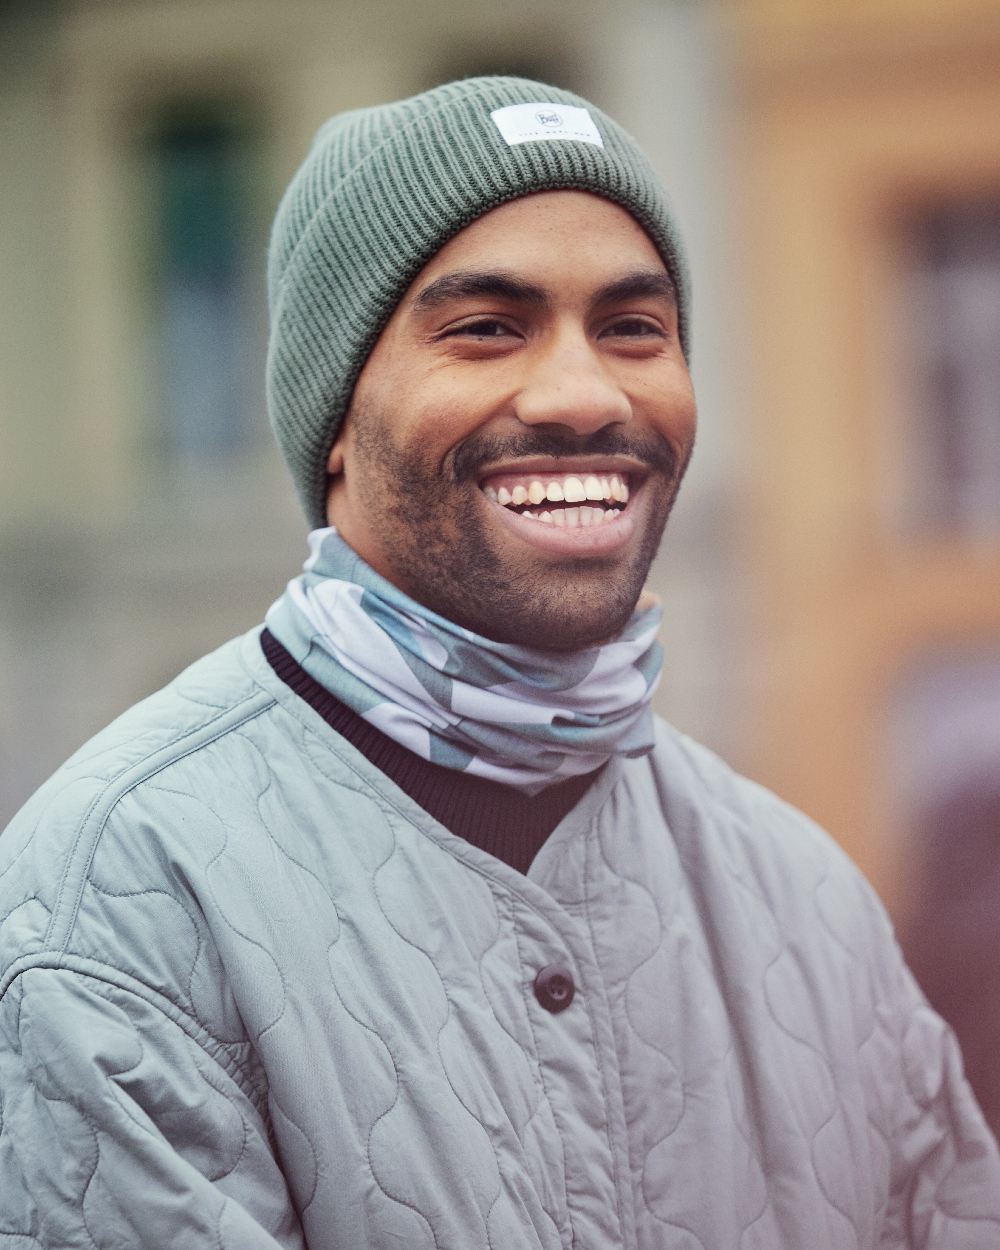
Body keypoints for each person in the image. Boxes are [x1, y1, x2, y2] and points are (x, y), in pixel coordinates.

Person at [0, 76, 997, 1250]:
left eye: (634, 327)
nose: (584, 394)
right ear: (330, 418)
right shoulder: (116, 903)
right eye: (485, 327)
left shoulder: (805, 896)